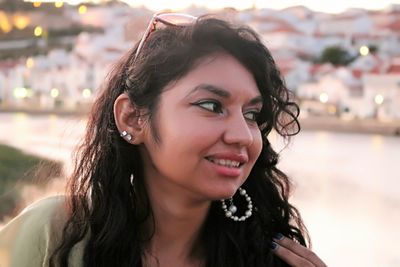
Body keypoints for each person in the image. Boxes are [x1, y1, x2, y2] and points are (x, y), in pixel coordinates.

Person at [0, 13, 327, 267]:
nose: (243, 135)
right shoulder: (55, 236)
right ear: (132, 118)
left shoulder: (270, 259)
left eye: (252, 115)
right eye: (211, 106)